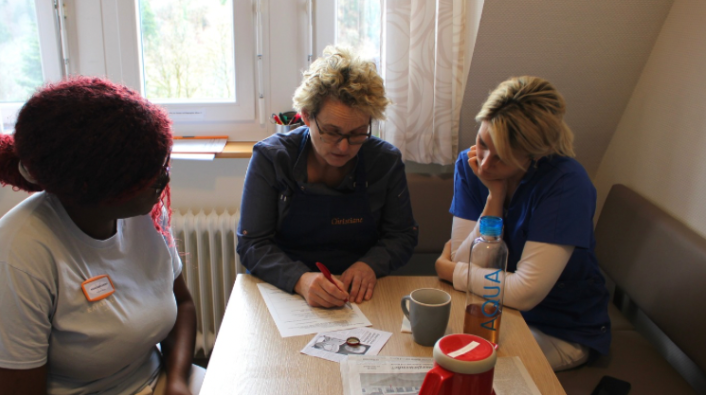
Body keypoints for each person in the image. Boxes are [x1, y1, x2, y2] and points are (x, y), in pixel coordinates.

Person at [0, 77, 204, 395]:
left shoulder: (144, 214)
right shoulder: (14, 259)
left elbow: (183, 304)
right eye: (147, 174)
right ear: (93, 187)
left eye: (161, 164)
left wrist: (176, 378)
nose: (164, 178)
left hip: (156, 383)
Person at [435, 76, 610, 371]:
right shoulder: (471, 164)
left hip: (558, 327)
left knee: (470, 370)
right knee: (433, 351)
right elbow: (465, 259)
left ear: (535, 155)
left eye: (503, 157)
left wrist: (451, 272)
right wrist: (495, 196)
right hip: (493, 308)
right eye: (482, 143)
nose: (485, 164)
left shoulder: (566, 184)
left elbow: (524, 292)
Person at [237, 46, 418, 308]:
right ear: (307, 116)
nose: (344, 147)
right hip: (285, 292)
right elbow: (252, 244)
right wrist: (299, 279)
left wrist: (370, 265)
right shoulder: (272, 159)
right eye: (332, 132)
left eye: (357, 133)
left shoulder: (385, 162)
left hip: (357, 294)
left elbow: (402, 236)